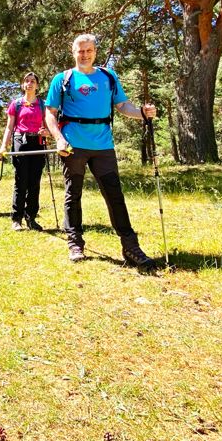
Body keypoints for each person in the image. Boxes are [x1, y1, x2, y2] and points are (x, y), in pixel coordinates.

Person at [44, 34, 158, 268]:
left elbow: (123, 106)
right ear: (73, 51)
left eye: (89, 50)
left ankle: (131, 247)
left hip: (103, 145)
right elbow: (50, 113)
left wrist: (142, 113)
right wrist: (58, 139)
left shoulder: (108, 76)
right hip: (74, 145)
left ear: (95, 51)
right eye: (80, 50)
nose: (84, 54)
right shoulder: (62, 79)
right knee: (73, 193)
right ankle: (75, 242)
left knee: (115, 195)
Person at [0, 71, 49, 231]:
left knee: (34, 182)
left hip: (38, 143)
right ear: (23, 85)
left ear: (37, 85)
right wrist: (3, 146)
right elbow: (9, 127)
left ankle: (31, 218)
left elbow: (49, 124)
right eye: (27, 81)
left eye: (33, 81)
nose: (30, 83)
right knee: (21, 181)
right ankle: (16, 219)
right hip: (21, 141)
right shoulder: (16, 104)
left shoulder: (43, 104)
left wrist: (47, 132)